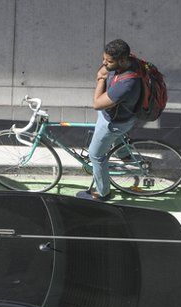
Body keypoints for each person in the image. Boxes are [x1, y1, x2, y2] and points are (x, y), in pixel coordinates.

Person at [77, 39, 142, 202]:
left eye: (109, 61)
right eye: (104, 58)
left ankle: (103, 193)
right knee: (114, 137)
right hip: (120, 116)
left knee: (95, 155)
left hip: (114, 122)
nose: (104, 63)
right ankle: (124, 154)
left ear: (122, 60)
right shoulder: (130, 61)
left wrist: (100, 79)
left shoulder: (126, 84)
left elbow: (97, 104)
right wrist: (107, 69)